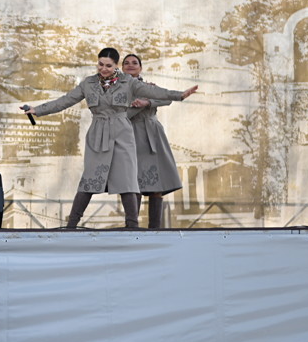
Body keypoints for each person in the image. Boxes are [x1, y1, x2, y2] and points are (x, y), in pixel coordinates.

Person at [22, 48, 197, 229]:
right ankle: (71, 226)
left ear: (115, 66)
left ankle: (132, 227)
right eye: (100, 64)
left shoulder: (128, 82)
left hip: (123, 134)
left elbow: (155, 92)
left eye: (108, 65)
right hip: (98, 135)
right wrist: (37, 110)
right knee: (89, 179)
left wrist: (180, 95)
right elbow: (65, 100)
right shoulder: (88, 83)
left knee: (127, 181)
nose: (103, 69)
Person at [122, 54, 184, 229]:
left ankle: (155, 229)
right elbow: (121, 113)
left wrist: (148, 101)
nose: (130, 65)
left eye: (135, 63)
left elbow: (167, 98)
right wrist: (137, 103)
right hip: (131, 136)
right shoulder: (116, 89)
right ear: (121, 68)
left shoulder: (148, 87)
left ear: (140, 68)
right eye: (126, 63)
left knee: (157, 184)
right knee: (134, 183)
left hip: (154, 136)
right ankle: (132, 227)